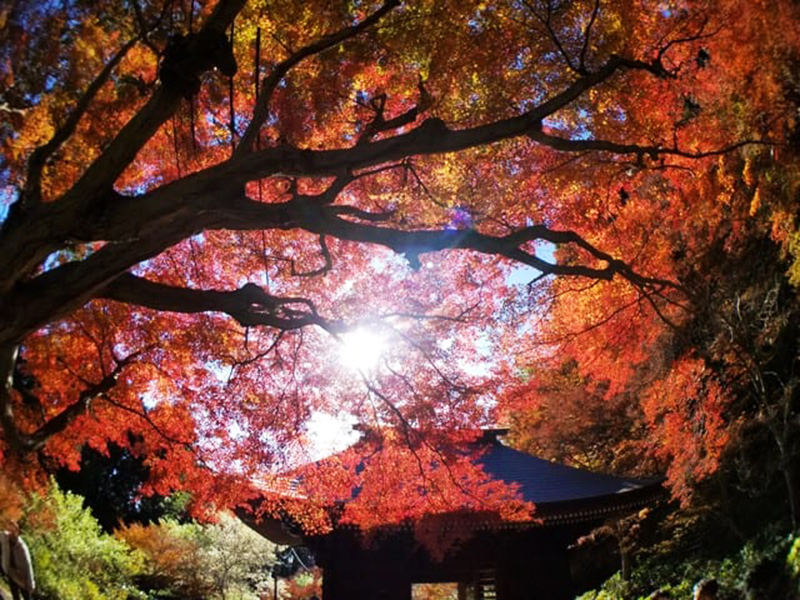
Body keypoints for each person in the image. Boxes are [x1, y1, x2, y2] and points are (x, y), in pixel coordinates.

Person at [0, 525, 34, 600]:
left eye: (13, 532)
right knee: (15, 595)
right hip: (11, 572)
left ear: (17, 533)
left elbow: (27, 567)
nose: (11, 534)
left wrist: (30, 584)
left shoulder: (21, 548)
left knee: (26, 596)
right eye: (10, 531)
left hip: (22, 577)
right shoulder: (4, 538)